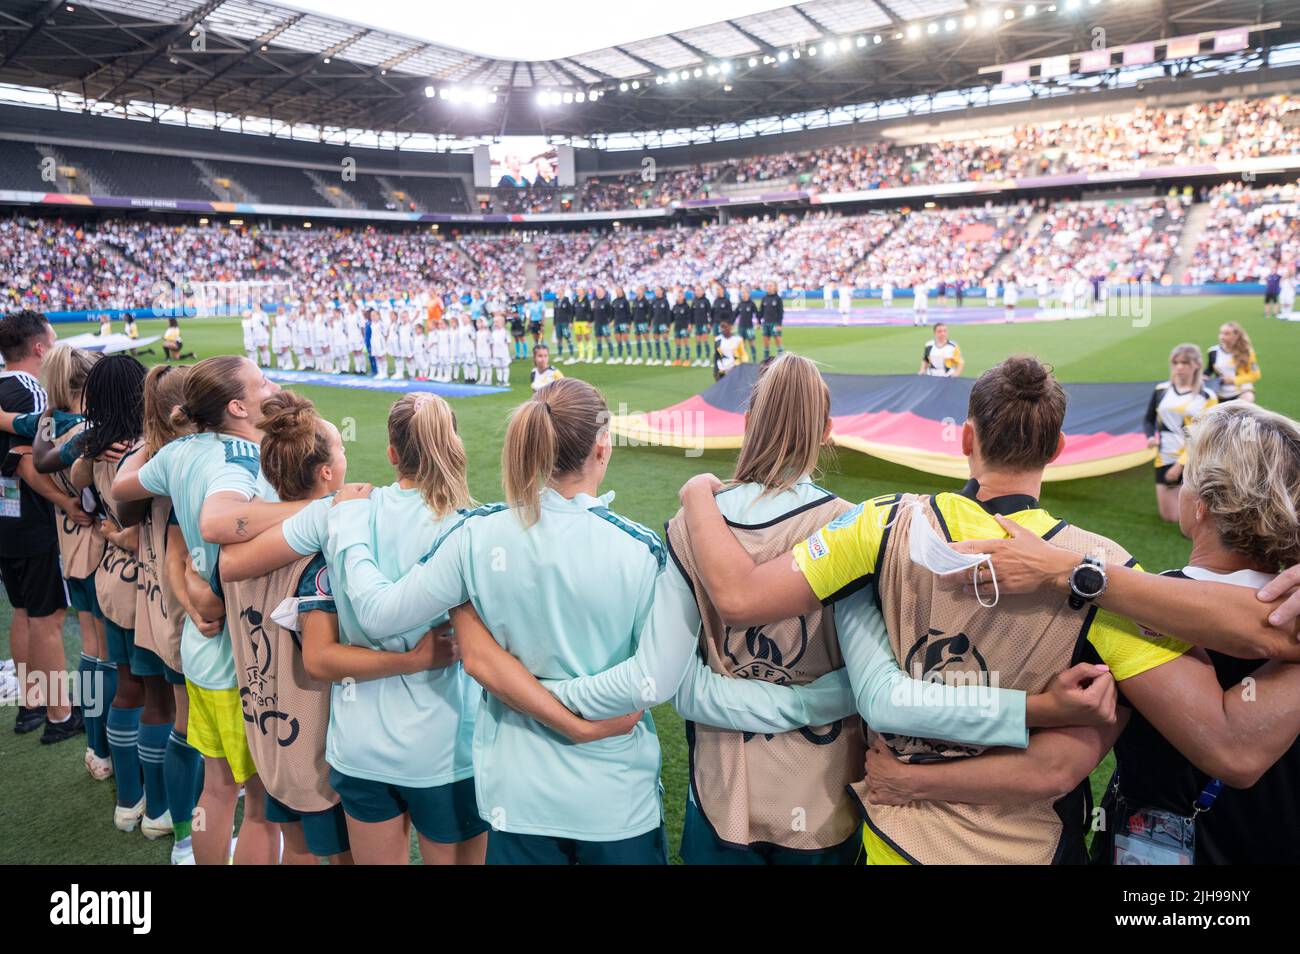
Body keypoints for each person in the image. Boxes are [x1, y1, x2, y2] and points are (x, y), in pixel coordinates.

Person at [677, 355, 1300, 864]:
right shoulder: (1105, 569)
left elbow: (741, 599)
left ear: (967, 438)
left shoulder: (880, 523)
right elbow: (1065, 766)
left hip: (896, 842)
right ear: (1057, 447)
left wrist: (698, 491)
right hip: (1030, 847)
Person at [322, 379, 680, 864]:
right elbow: (656, 681)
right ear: (603, 447)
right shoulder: (642, 550)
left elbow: (379, 614)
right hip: (613, 800)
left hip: (517, 797)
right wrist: (571, 711)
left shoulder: (477, 535)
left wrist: (347, 528)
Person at [215, 394, 486, 864]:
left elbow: (232, 562)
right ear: (454, 445)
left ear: (392, 453)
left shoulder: (337, 512)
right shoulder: (470, 529)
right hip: (443, 748)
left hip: (359, 750)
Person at [111, 355, 300, 865]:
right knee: (261, 804)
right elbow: (220, 518)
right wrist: (317, 508)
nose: (272, 385)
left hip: (202, 653)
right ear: (237, 406)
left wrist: (153, 443)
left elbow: (122, 489)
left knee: (217, 789)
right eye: (262, 382)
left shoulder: (182, 452)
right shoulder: (240, 461)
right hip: (246, 654)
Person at [73, 355, 177, 836]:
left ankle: (128, 800)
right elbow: (140, 526)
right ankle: (160, 810)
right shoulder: (147, 451)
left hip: (109, 579)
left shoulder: (93, 448)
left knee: (126, 686)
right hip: (146, 579)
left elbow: (77, 485)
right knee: (161, 697)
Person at [0, 311, 84, 742]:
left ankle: (31, 702)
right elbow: (28, 458)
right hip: (32, 519)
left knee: (23, 611)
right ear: (38, 348)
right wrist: (64, 500)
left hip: (6, 518)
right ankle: (59, 714)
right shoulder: (31, 389)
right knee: (48, 616)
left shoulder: (1, 388)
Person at [1145, 344, 1217, 523]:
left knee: (1191, 519)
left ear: (1197, 365)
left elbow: (1202, 436)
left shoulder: (1207, 396)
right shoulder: (1161, 390)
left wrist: (1180, 465)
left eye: (1185, 362)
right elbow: (1148, 419)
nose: (1179, 367)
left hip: (1193, 459)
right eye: (1175, 362)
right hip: (1164, 456)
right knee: (1169, 517)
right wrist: (1150, 437)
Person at [1205, 321, 1260, 404]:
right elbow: (1209, 370)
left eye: (1226, 334)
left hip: (1242, 390)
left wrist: (1234, 380)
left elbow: (1255, 375)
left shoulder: (1247, 352)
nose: (1222, 337)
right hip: (1220, 391)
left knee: (1245, 403)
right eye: (1221, 333)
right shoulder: (1213, 351)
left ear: (1236, 335)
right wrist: (1203, 376)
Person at [760, 281, 783, 360]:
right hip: (766, 323)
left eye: (770, 285)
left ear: (774, 287)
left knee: (778, 341)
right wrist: (759, 322)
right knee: (766, 343)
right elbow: (761, 311)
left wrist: (779, 324)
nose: (769, 287)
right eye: (768, 286)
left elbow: (781, 312)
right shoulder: (764, 298)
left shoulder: (778, 299)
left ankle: (781, 359)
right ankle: (766, 360)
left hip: (775, 323)